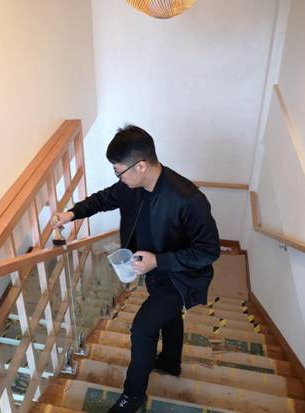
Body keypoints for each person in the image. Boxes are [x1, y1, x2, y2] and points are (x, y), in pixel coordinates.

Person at [53, 124, 220, 413]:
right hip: (152, 270)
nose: (117, 178)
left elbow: (209, 251)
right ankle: (170, 362)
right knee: (168, 316)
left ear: (140, 166)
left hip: (181, 277)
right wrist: (72, 213)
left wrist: (159, 261)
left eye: (118, 171)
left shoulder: (188, 199)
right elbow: (103, 199)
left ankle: (134, 395)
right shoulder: (132, 187)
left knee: (142, 328)